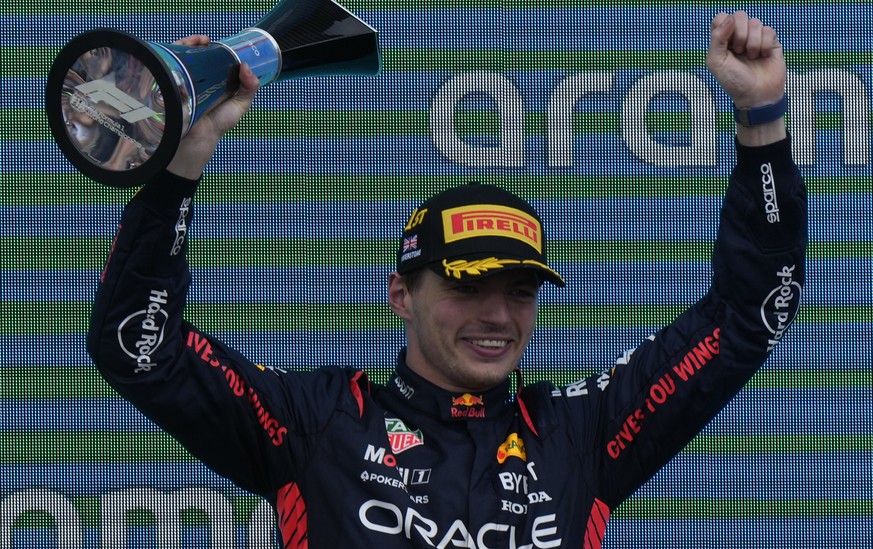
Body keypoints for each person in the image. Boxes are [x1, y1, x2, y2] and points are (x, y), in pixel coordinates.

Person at [87, 11, 807, 548]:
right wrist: (183, 163)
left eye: (520, 290)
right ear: (401, 295)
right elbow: (138, 350)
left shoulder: (581, 433)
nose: (497, 313)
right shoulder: (316, 419)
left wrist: (761, 118)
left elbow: (749, 313)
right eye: (467, 285)